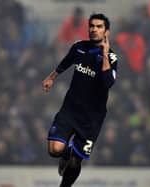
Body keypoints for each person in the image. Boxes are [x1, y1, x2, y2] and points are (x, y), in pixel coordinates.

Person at [42, 13, 117, 187]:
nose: (94, 29)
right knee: (54, 150)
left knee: (76, 161)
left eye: (99, 26)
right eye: (92, 26)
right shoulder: (79, 47)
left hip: (91, 118)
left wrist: (105, 54)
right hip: (70, 110)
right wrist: (51, 77)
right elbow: (66, 62)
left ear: (107, 32)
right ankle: (66, 153)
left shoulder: (112, 58)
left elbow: (108, 83)